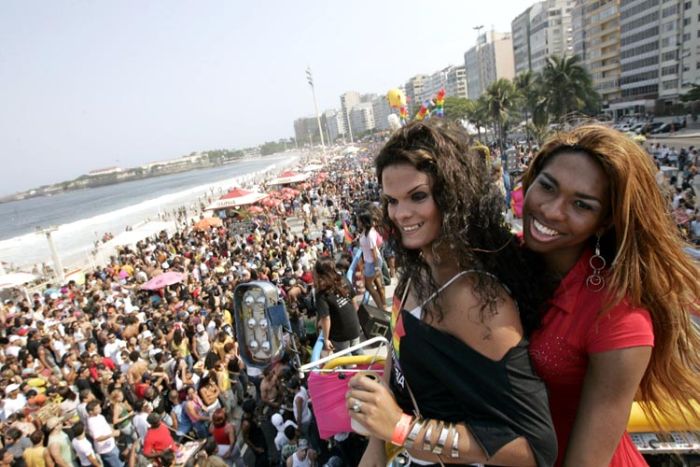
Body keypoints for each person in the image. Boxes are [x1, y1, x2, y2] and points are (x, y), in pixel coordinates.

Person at [347, 120, 557, 466]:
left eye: (418, 196)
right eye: (392, 201)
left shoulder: (476, 300)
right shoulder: (417, 272)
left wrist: (401, 430)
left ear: (453, 195)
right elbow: (396, 350)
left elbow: (535, 448)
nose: (401, 214)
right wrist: (375, 442)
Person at [521, 124, 700, 466]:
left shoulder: (619, 316)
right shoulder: (501, 265)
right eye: (547, 187)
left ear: (604, 223)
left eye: (581, 205)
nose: (552, 210)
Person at [313, 257, 362, 352]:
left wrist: (326, 339)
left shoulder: (321, 294)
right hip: (354, 326)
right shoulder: (343, 279)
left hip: (341, 334)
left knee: (347, 361)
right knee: (358, 352)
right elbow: (354, 302)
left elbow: (326, 318)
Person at [357, 211, 387, 311]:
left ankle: (381, 308)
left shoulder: (369, 234)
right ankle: (382, 307)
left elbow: (373, 251)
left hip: (373, 262)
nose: (357, 222)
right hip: (370, 262)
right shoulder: (365, 231)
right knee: (376, 285)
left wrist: (377, 267)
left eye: (359, 220)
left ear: (363, 222)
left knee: (369, 286)